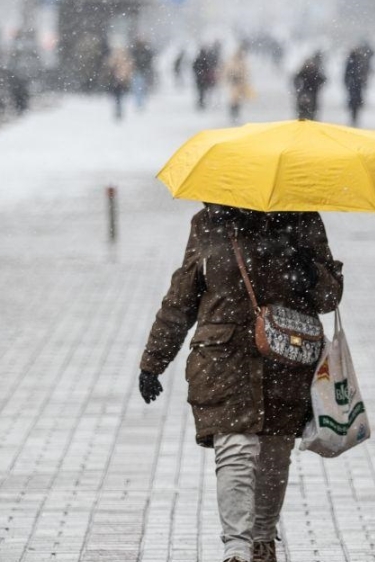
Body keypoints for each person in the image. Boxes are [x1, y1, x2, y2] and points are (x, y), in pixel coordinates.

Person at [139, 204, 344, 562]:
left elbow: (330, 297)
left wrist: (306, 269)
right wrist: (153, 362)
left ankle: (263, 539)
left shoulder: (301, 220)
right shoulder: (209, 223)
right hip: (223, 359)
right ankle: (236, 548)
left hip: (284, 362)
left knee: (274, 455)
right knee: (234, 449)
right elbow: (182, 297)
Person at [343, 44, 372, 126]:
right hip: (354, 84)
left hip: (357, 84)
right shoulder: (353, 61)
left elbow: (364, 72)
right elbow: (347, 73)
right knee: (354, 101)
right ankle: (353, 117)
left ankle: (355, 117)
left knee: (356, 101)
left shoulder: (359, 60)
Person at [293, 53, 327, 120]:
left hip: (313, 93)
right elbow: (296, 79)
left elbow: (322, 79)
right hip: (304, 93)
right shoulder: (303, 72)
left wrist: (318, 85)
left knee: (312, 110)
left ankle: (310, 118)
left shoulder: (315, 72)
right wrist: (298, 87)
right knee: (303, 109)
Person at [223, 49, 252, 123]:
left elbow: (245, 73)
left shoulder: (242, 63)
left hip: (240, 84)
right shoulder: (232, 63)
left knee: (238, 100)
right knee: (233, 100)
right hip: (234, 84)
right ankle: (233, 114)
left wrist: (244, 80)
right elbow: (227, 72)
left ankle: (236, 113)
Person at [107, 48, 134, 122]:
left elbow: (127, 70)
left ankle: (119, 110)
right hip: (117, 81)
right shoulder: (117, 59)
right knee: (118, 97)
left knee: (119, 97)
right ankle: (118, 110)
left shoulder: (125, 59)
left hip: (120, 81)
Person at [131, 37, 154, 111]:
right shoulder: (137, 52)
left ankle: (140, 103)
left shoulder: (142, 52)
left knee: (140, 88)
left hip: (142, 71)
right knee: (138, 88)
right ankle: (139, 103)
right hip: (139, 71)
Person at [193, 46, 218, 111]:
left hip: (200, 79)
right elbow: (208, 69)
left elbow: (194, 68)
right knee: (202, 91)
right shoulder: (205, 60)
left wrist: (199, 74)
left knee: (201, 92)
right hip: (203, 79)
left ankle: (201, 102)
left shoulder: (199, 59)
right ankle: (201, 102)